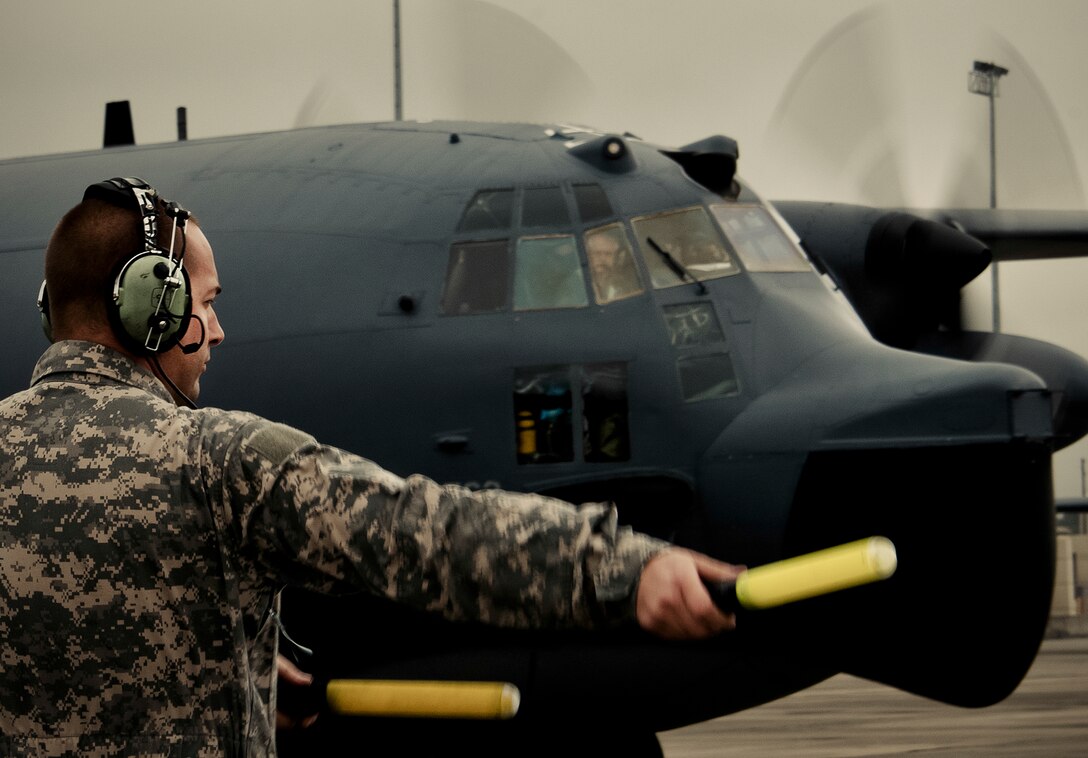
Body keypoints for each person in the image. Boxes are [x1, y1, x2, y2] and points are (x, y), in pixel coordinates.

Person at [0, 178, 741, 756]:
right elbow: (427, 534)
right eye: (205, 302)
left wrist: (244, 684)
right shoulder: (219, 463)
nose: (218, 331)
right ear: (148, 307)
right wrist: (625, 569)